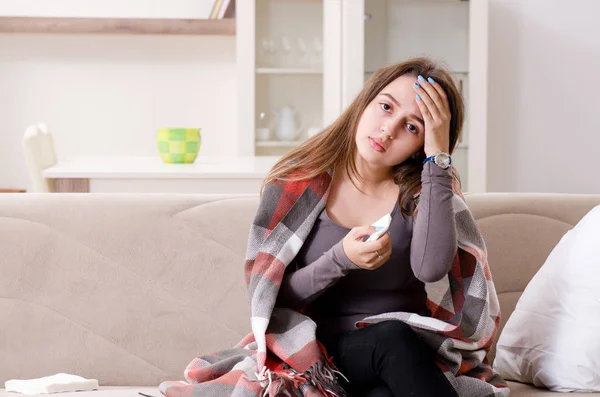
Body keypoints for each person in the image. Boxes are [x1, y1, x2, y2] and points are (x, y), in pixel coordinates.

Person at [265, 57, 464, 397]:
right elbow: (273, 295)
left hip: (404, 359)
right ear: (365, 101)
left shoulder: (426, 192)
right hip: (324, 355)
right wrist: (341, 258)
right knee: (390, 337)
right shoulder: (298, 184)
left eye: (413, 127)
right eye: (386, 107)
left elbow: (431, 268)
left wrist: (438, 160)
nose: (389, 130)